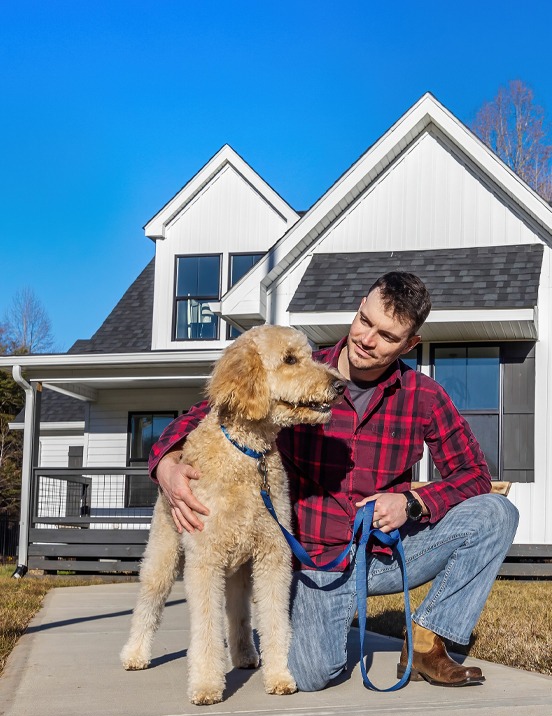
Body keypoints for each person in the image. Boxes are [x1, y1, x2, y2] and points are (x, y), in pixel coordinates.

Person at [149, 272, 519, 691]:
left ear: (410, 344)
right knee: (310, 676)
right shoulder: (298, 369)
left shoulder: (424, 396)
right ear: (360, 304)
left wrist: (411, 504)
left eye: (386, 335)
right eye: (365, 320)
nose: (367, 338)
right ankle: (311, 619)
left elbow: (474, 475)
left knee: (496, 513)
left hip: (382, 554)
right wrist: (166, 464)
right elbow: (211, 410)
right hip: (316, 563)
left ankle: (428, 640)